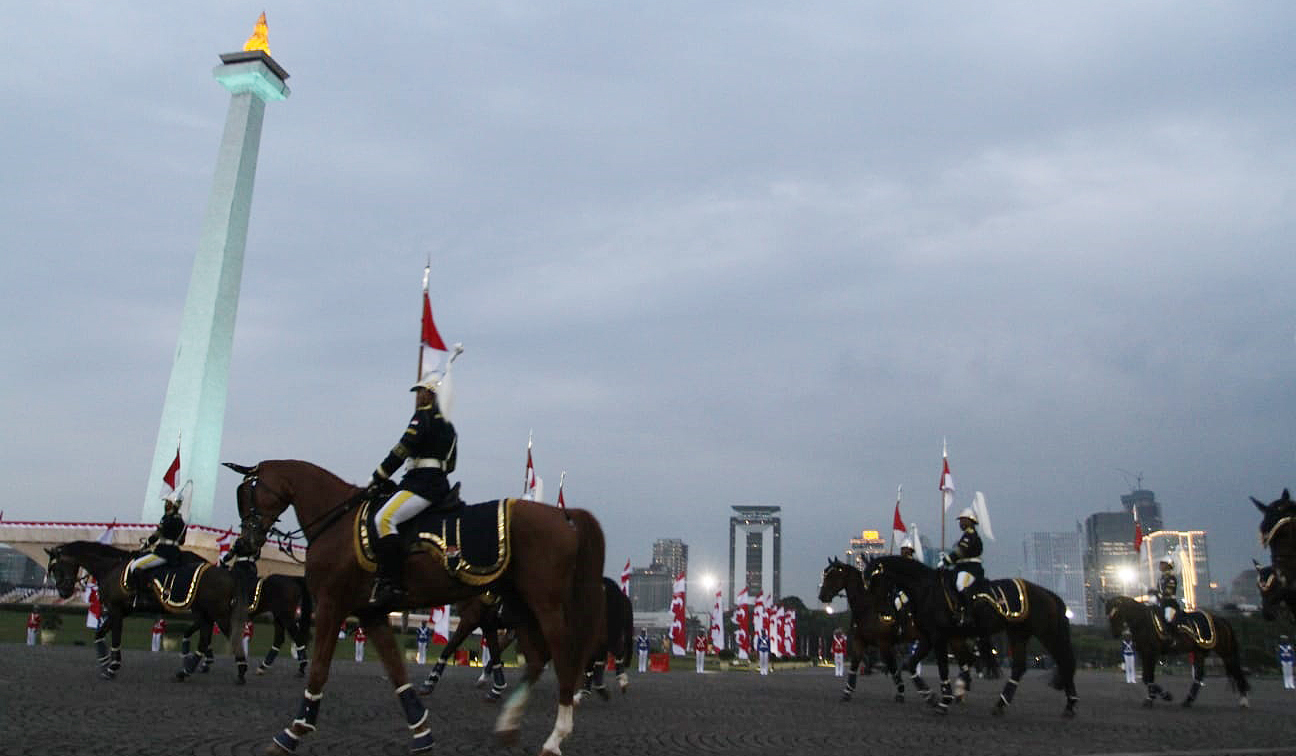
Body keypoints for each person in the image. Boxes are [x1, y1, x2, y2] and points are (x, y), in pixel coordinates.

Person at [366, 371, 459, 608]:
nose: (417, 397)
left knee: (383, 519)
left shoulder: (422, 417)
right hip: (437, 482)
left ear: (430, 394)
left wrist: (379, 475)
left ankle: (392, 581)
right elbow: (451, 464)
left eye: (419, 392)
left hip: (422, 484)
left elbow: (402, 449)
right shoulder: (449, 426)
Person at [125, 497, 186, 601]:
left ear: (173, 505)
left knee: (135, 566)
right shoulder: (181, 521)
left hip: (163, 552)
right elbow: (182, 541)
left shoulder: (167, 518)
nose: (165, 505)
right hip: (175, 552)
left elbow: (157, 535)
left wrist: (147, 543)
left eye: (168, 503)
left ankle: (140, 594)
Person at [939, 508, 986, 628]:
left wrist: (946, 561)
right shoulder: (966, 535)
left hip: (970, 568)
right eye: (960, 521)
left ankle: (968, 614)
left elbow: (960, 552)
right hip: (961, 567)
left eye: (963, 520)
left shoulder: (970, 535)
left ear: (971, 521)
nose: (961, 523)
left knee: (961, 584)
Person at [1155, 557, 1182, 630]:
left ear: (1168, 566)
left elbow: (1168, 592)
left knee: (1168, 620)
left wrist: (1157, 595)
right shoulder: (1161, 578)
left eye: (1162, 564)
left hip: (1169, 604)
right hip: (1161, 604)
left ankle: (1174, 639)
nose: (1160, 566)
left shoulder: (1171, 578)